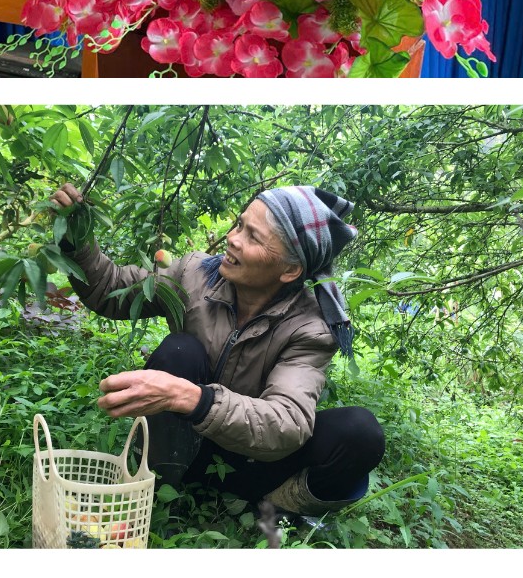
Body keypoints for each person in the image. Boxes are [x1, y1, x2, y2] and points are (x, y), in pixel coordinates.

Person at [50, 182, 384, 517]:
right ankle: (159, 489)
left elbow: (287, 422)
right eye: (239, 225)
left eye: (253, 237)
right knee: (180, 350)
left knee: (358, 431)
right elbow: (112, 288)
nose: (233, 238)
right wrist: (75, 237)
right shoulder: (195, 275)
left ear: (290, 269)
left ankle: (276, 509)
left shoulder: (309, 327)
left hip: (250, 463)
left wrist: (195, 399)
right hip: (185, 445)